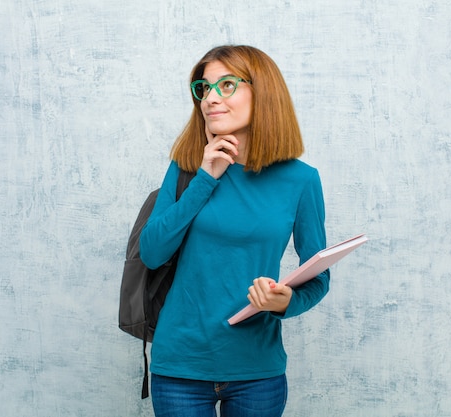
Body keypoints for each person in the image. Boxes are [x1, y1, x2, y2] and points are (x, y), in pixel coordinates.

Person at [139, 45, 330, 417]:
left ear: (263, 92)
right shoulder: (187, 168)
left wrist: (283, 301)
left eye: (226, 85)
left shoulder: (301, 181)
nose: (210, 98)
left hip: (257, 369)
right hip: (180, 365)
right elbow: (152, 251)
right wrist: (206, 178)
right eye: (204, 88)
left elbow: (318, 278)